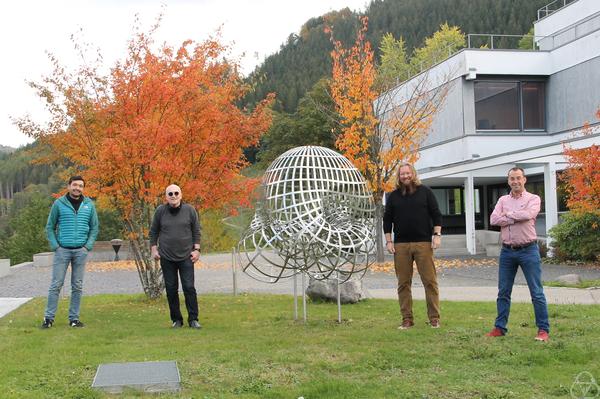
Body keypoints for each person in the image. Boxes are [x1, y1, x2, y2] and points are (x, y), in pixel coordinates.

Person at [486, 167, 549, 342]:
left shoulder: (533, 198)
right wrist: (515, 217)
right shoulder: (503, 199)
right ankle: (500, 328)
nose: (515, 181)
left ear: (524, 180)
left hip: (528, 250)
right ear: (508, 181)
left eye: (518, 178)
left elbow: (529, 214)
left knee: (536, 292)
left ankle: (543, 330)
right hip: (507, 252)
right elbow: (493, 219)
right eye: (512, 178)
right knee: (503, 292)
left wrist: (507, 216)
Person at [383, 163, 443, 330]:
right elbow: (387, 220)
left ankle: (434, 318)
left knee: (430, 282)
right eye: (402, 174)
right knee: (403, 283)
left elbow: (436, 214)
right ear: (399, 176)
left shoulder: (426, 192)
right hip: (400, 245)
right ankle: (407, 319)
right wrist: (389, 241)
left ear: (413, 174)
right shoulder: (393, 196)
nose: (405, 176)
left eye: (408, 173)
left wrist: (437, 235)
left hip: (423, 243)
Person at [42, 176, 99, 328]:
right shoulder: (59, 204)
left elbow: (94, 227)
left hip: (81, 251)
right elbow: (50, 226)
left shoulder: (89, 204)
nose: (77, 188)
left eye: (80, 186)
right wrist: (56, 246)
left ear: (83, 188)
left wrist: (87, 246)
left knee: (77, 286)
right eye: (75, 185)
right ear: (68, 186)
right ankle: (48, 319)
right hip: (62, 251)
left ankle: (74, 319)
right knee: (56, 284)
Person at [150, 184, 202, 329]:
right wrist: (154, 250)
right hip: (166, 257)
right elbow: (153, 232)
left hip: (186, 256)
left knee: (189, 287)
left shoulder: (190, 210)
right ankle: (176, 320)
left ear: (181, 194)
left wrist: (197, 250)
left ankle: (193, 319)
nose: (173, 196)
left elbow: (196, 231)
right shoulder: (160, 211)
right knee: (171, 289)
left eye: (176, 193)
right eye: (170, 194)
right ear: (166, 197)